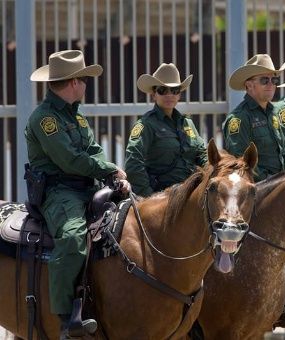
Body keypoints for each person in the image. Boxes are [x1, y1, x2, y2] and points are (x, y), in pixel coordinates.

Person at [25, 50, 130, 339]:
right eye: (84, 78)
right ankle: (65, 320)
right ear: (73, 82)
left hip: (87, 187)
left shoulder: (77, 115)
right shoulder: (45, 119)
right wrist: (109, 168)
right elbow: (69, 159)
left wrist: (111, 174)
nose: (86, 84)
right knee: (73, 239)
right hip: (60, 192)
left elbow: (92, 149)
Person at [125, 63, 207, 197]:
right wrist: (149, 197)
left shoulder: (188, 123)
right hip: (161, 197)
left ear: (179, 95)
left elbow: (202, 155)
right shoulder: (146, 125)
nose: (169, 95)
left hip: (190, 195)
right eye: (163, 90)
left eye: (175, 90)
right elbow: (133, 163)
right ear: (153, 95)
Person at [223, 54, 285, 181]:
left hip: (281, 185)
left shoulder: (273, 112)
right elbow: (241, 163)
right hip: (258, 189)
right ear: (249, 86)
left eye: (274, 80)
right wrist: (273, 181)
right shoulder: (239, 118)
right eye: (264, 80)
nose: (271, 85)